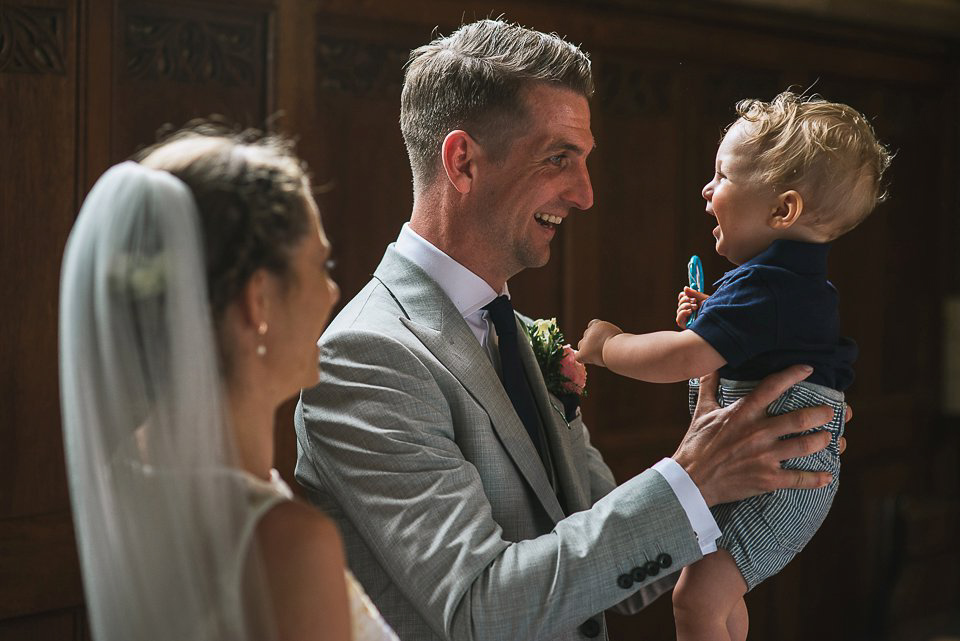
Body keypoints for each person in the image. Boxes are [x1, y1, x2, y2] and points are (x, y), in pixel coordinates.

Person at [295, 21, 842, 641]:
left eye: (585, 161)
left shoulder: (523, 335)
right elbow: (483, 609)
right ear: (463, 162)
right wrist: (693, 478)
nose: (585, 195)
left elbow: (611, 560)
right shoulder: (366, 356)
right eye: (559, 159)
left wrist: (765, 457)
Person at [59, 125, 398, 641]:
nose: (333, 292)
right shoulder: (288, 546)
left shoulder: (128, 469)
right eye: (320, 265)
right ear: (258, 299)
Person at [576, 91, 889, 640]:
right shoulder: (791, 284)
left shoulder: (766, 286)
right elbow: (730, 350)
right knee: (718, 595)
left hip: (783, 479)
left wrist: (609, 344)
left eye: (721, 176)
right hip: (790, 469)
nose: (706, 189)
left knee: (697, 596)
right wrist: (708, 322)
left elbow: (680, 361)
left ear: (782, 210)